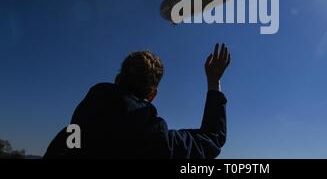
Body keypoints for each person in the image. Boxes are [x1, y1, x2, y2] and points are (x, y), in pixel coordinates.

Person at [44, 43, 230, 159]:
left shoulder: (69, 135)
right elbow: (212, 139)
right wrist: (214, 81)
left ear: (118, 80)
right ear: (152, 95)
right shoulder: (155, 139)